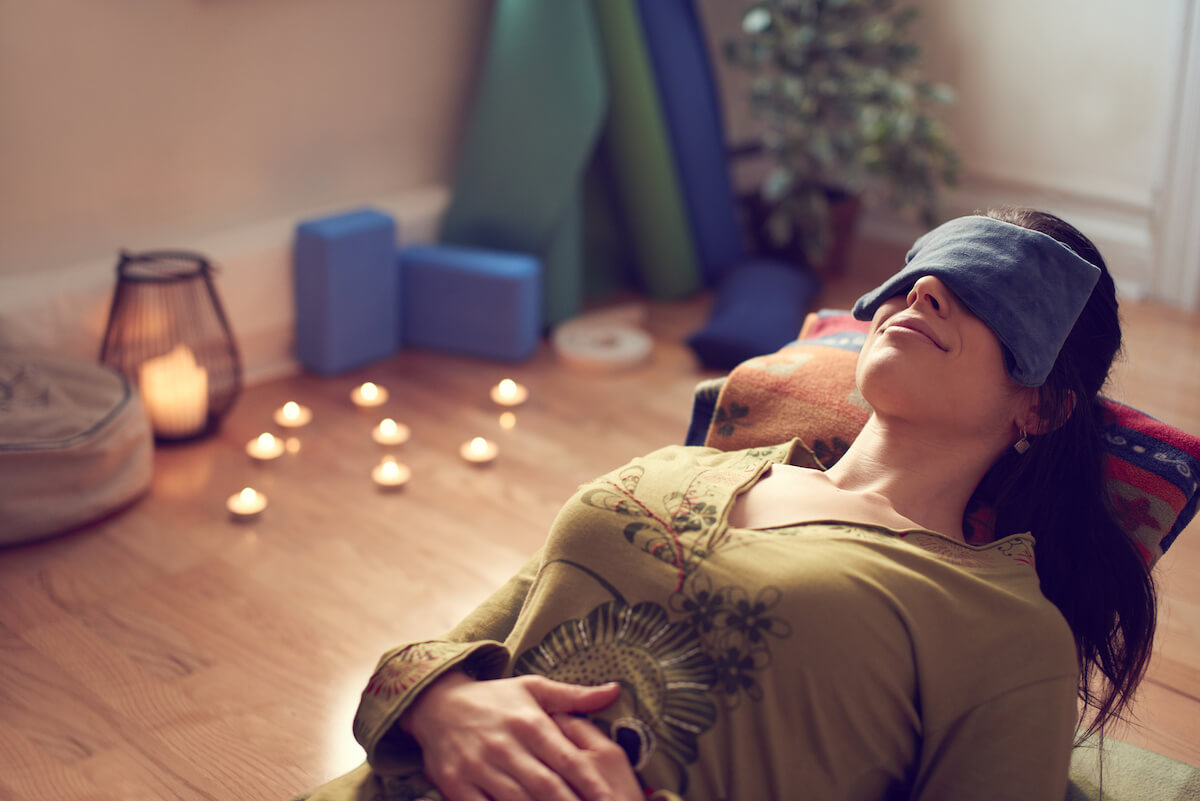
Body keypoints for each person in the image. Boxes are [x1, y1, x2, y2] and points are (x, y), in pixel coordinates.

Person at [296, 208, 1157, 801]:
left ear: (1040, 407)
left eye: (991, 291)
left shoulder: (999, 627)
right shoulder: (676, 469)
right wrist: (447, 706)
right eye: (918, 272)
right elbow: (434, 655)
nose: (923, 291)